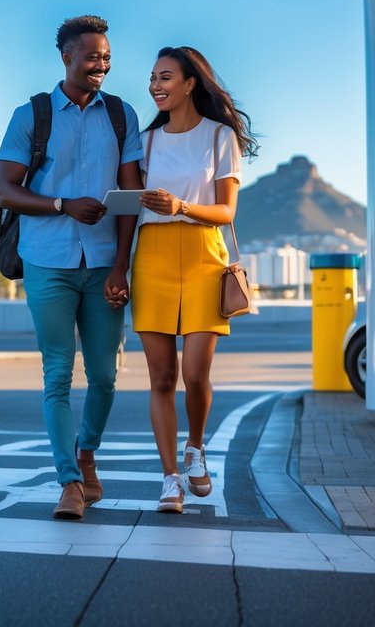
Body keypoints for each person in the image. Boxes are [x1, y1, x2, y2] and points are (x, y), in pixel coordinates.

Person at [0, 15, 143, 521]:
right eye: (91, 56)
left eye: (106, 57)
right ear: (66, 57)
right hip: (47, 262)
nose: (100, 65)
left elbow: (130, 201)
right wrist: (62, 205)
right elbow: (6, 190)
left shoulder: (122, 116)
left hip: (104, 265)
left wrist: (122, 266)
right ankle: (70, 482)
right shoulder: (31, 115)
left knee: (104, 377)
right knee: (57, 374)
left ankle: (87, 452)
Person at [130, 46, 258, 514]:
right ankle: (169, 479)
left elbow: (226, 211)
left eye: (165, 77)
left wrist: (181, 206)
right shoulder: (143, 142)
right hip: (152, 257)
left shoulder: (220, 137)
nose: (155, 85)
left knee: (195, 374)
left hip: (205, 253)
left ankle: (196, 448)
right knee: (161, 376)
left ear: (189, 83)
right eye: (152, 78)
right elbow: (130, 209)